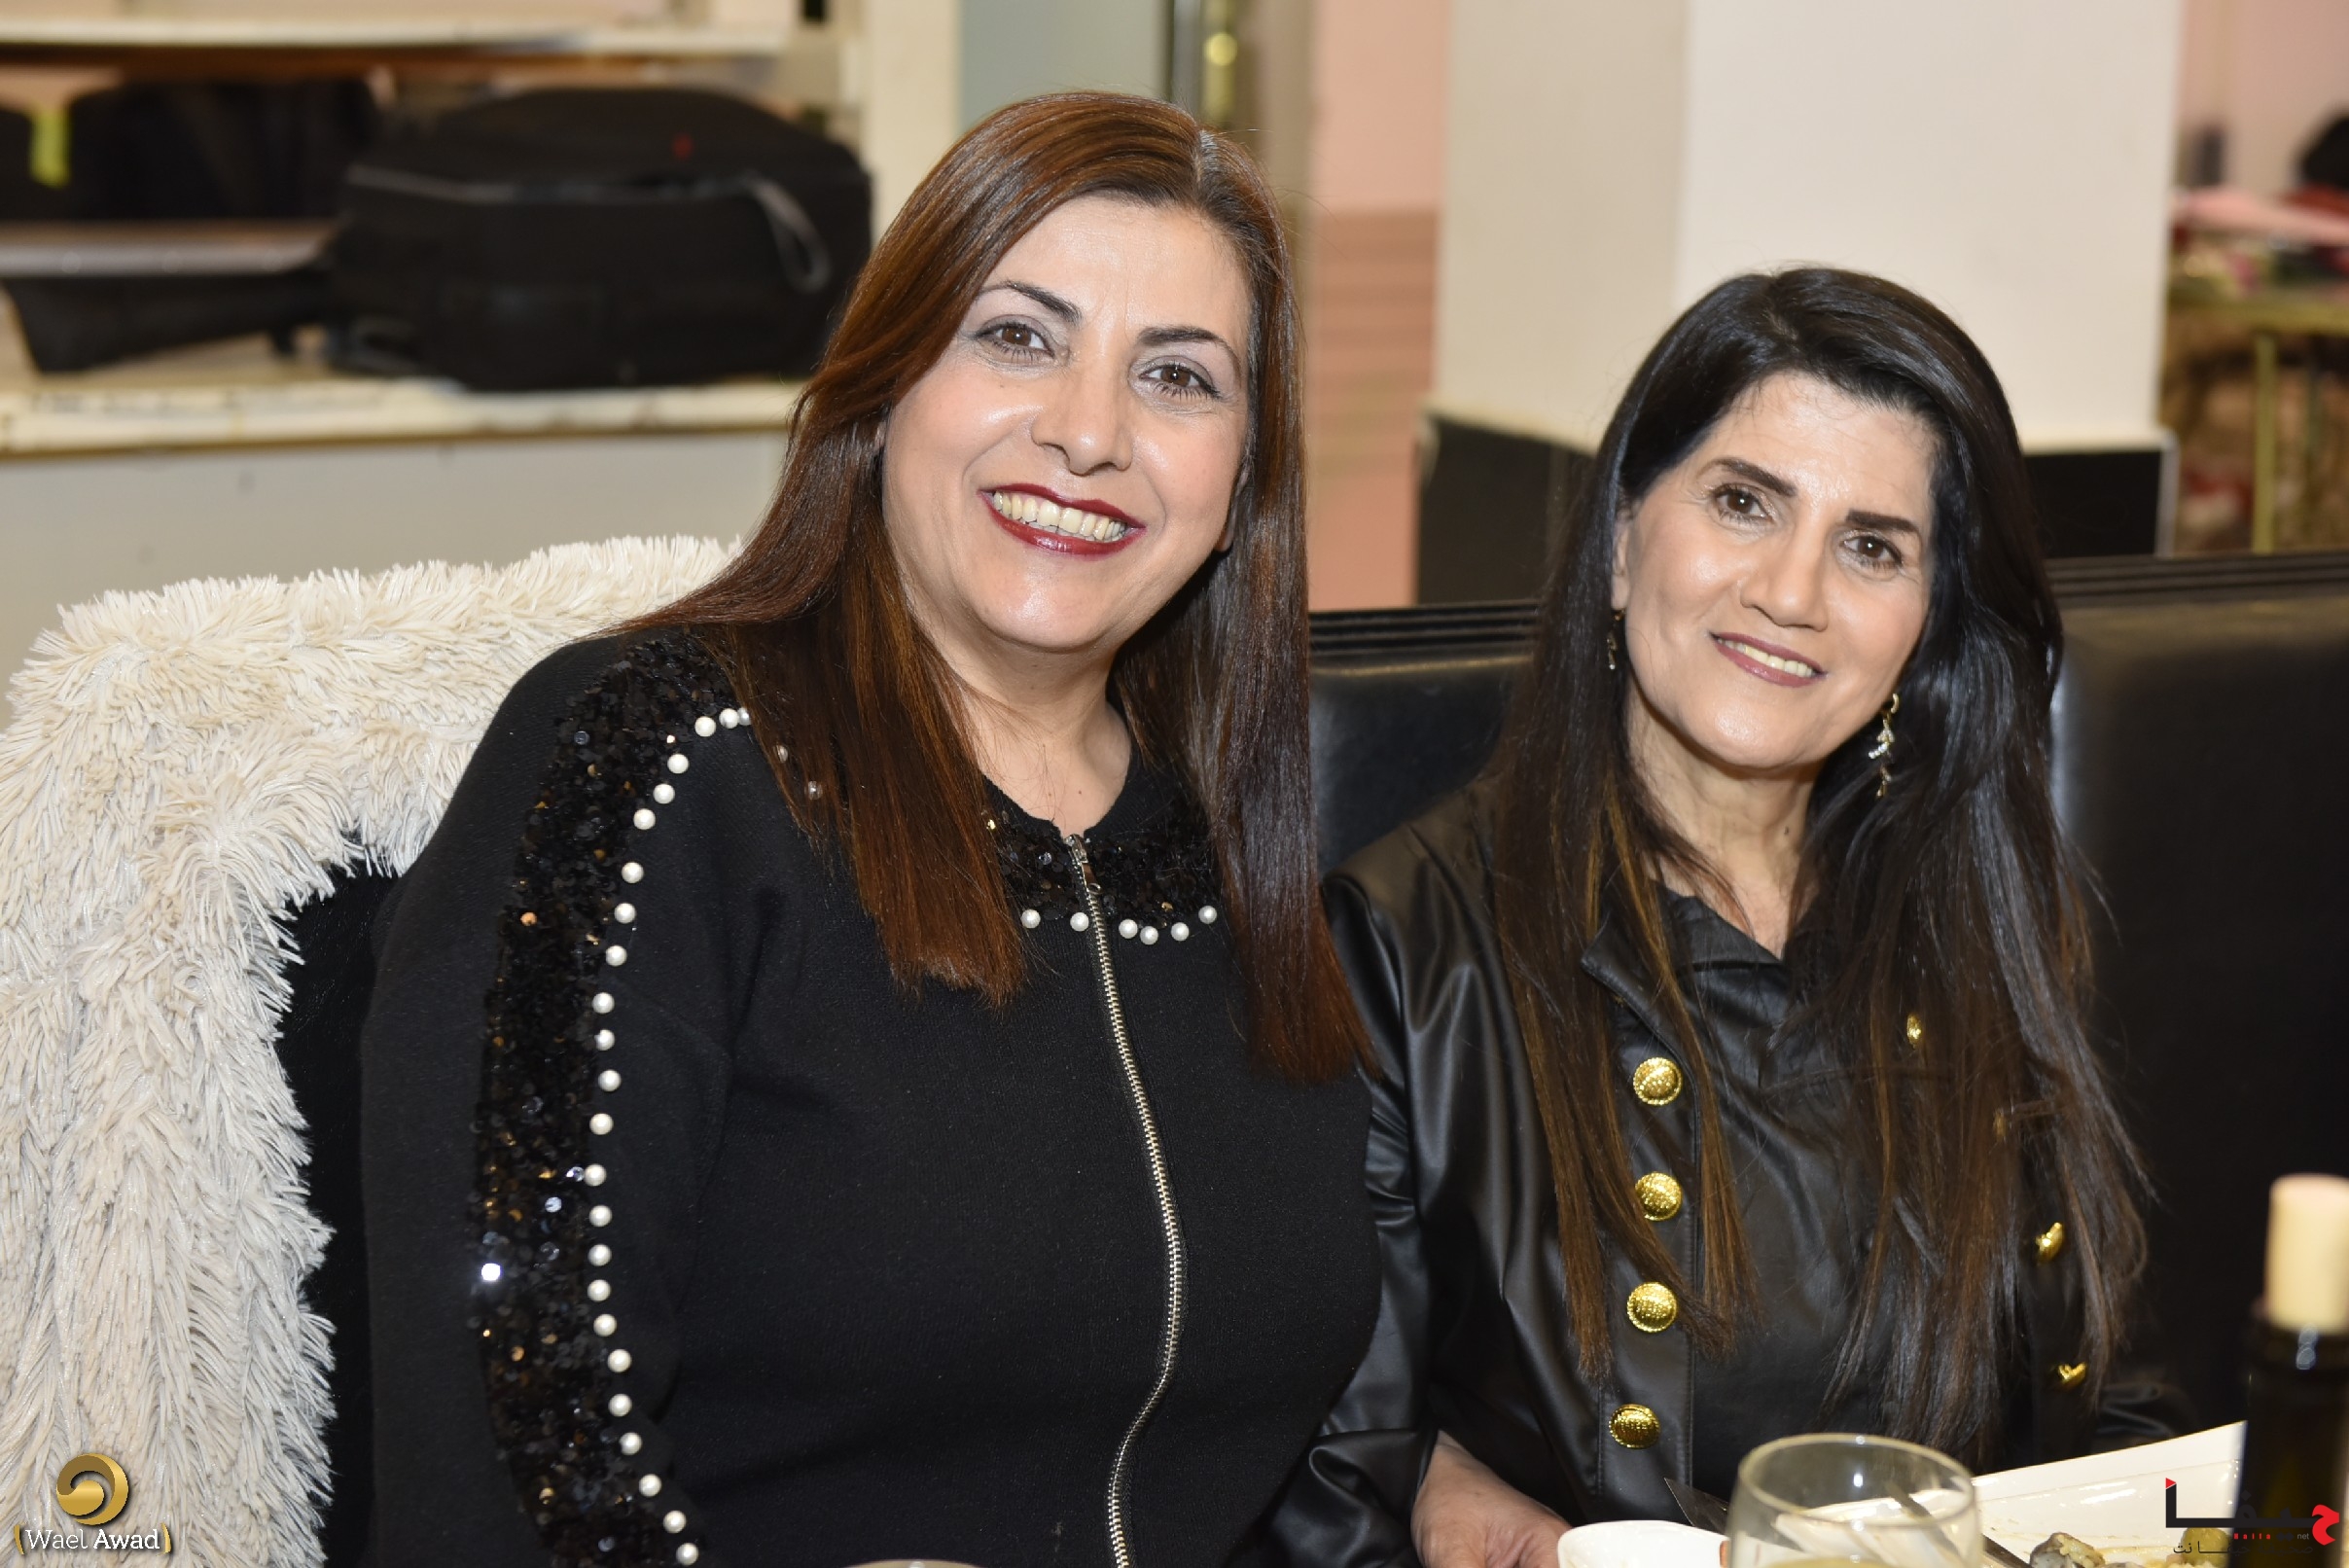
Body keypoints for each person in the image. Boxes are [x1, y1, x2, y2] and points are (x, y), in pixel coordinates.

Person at [359, 91, 1379, 1568]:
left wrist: (1459, 1470)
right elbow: (507, 1450)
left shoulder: (1244, 844)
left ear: (1241, 486)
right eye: (1016, 337)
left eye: (1178, 377)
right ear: (885, 383)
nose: (1089, 433)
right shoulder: (653, 759)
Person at [1268, 268, 2187, 1568]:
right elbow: (1332, 1480)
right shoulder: (1399, 949)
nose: (1791, 591)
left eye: (1873, 547)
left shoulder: (1974, 919)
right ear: (1623, 538)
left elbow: (2104, 1421)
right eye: (1744, 502)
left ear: (1926, 628)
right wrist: (1429, 1469)